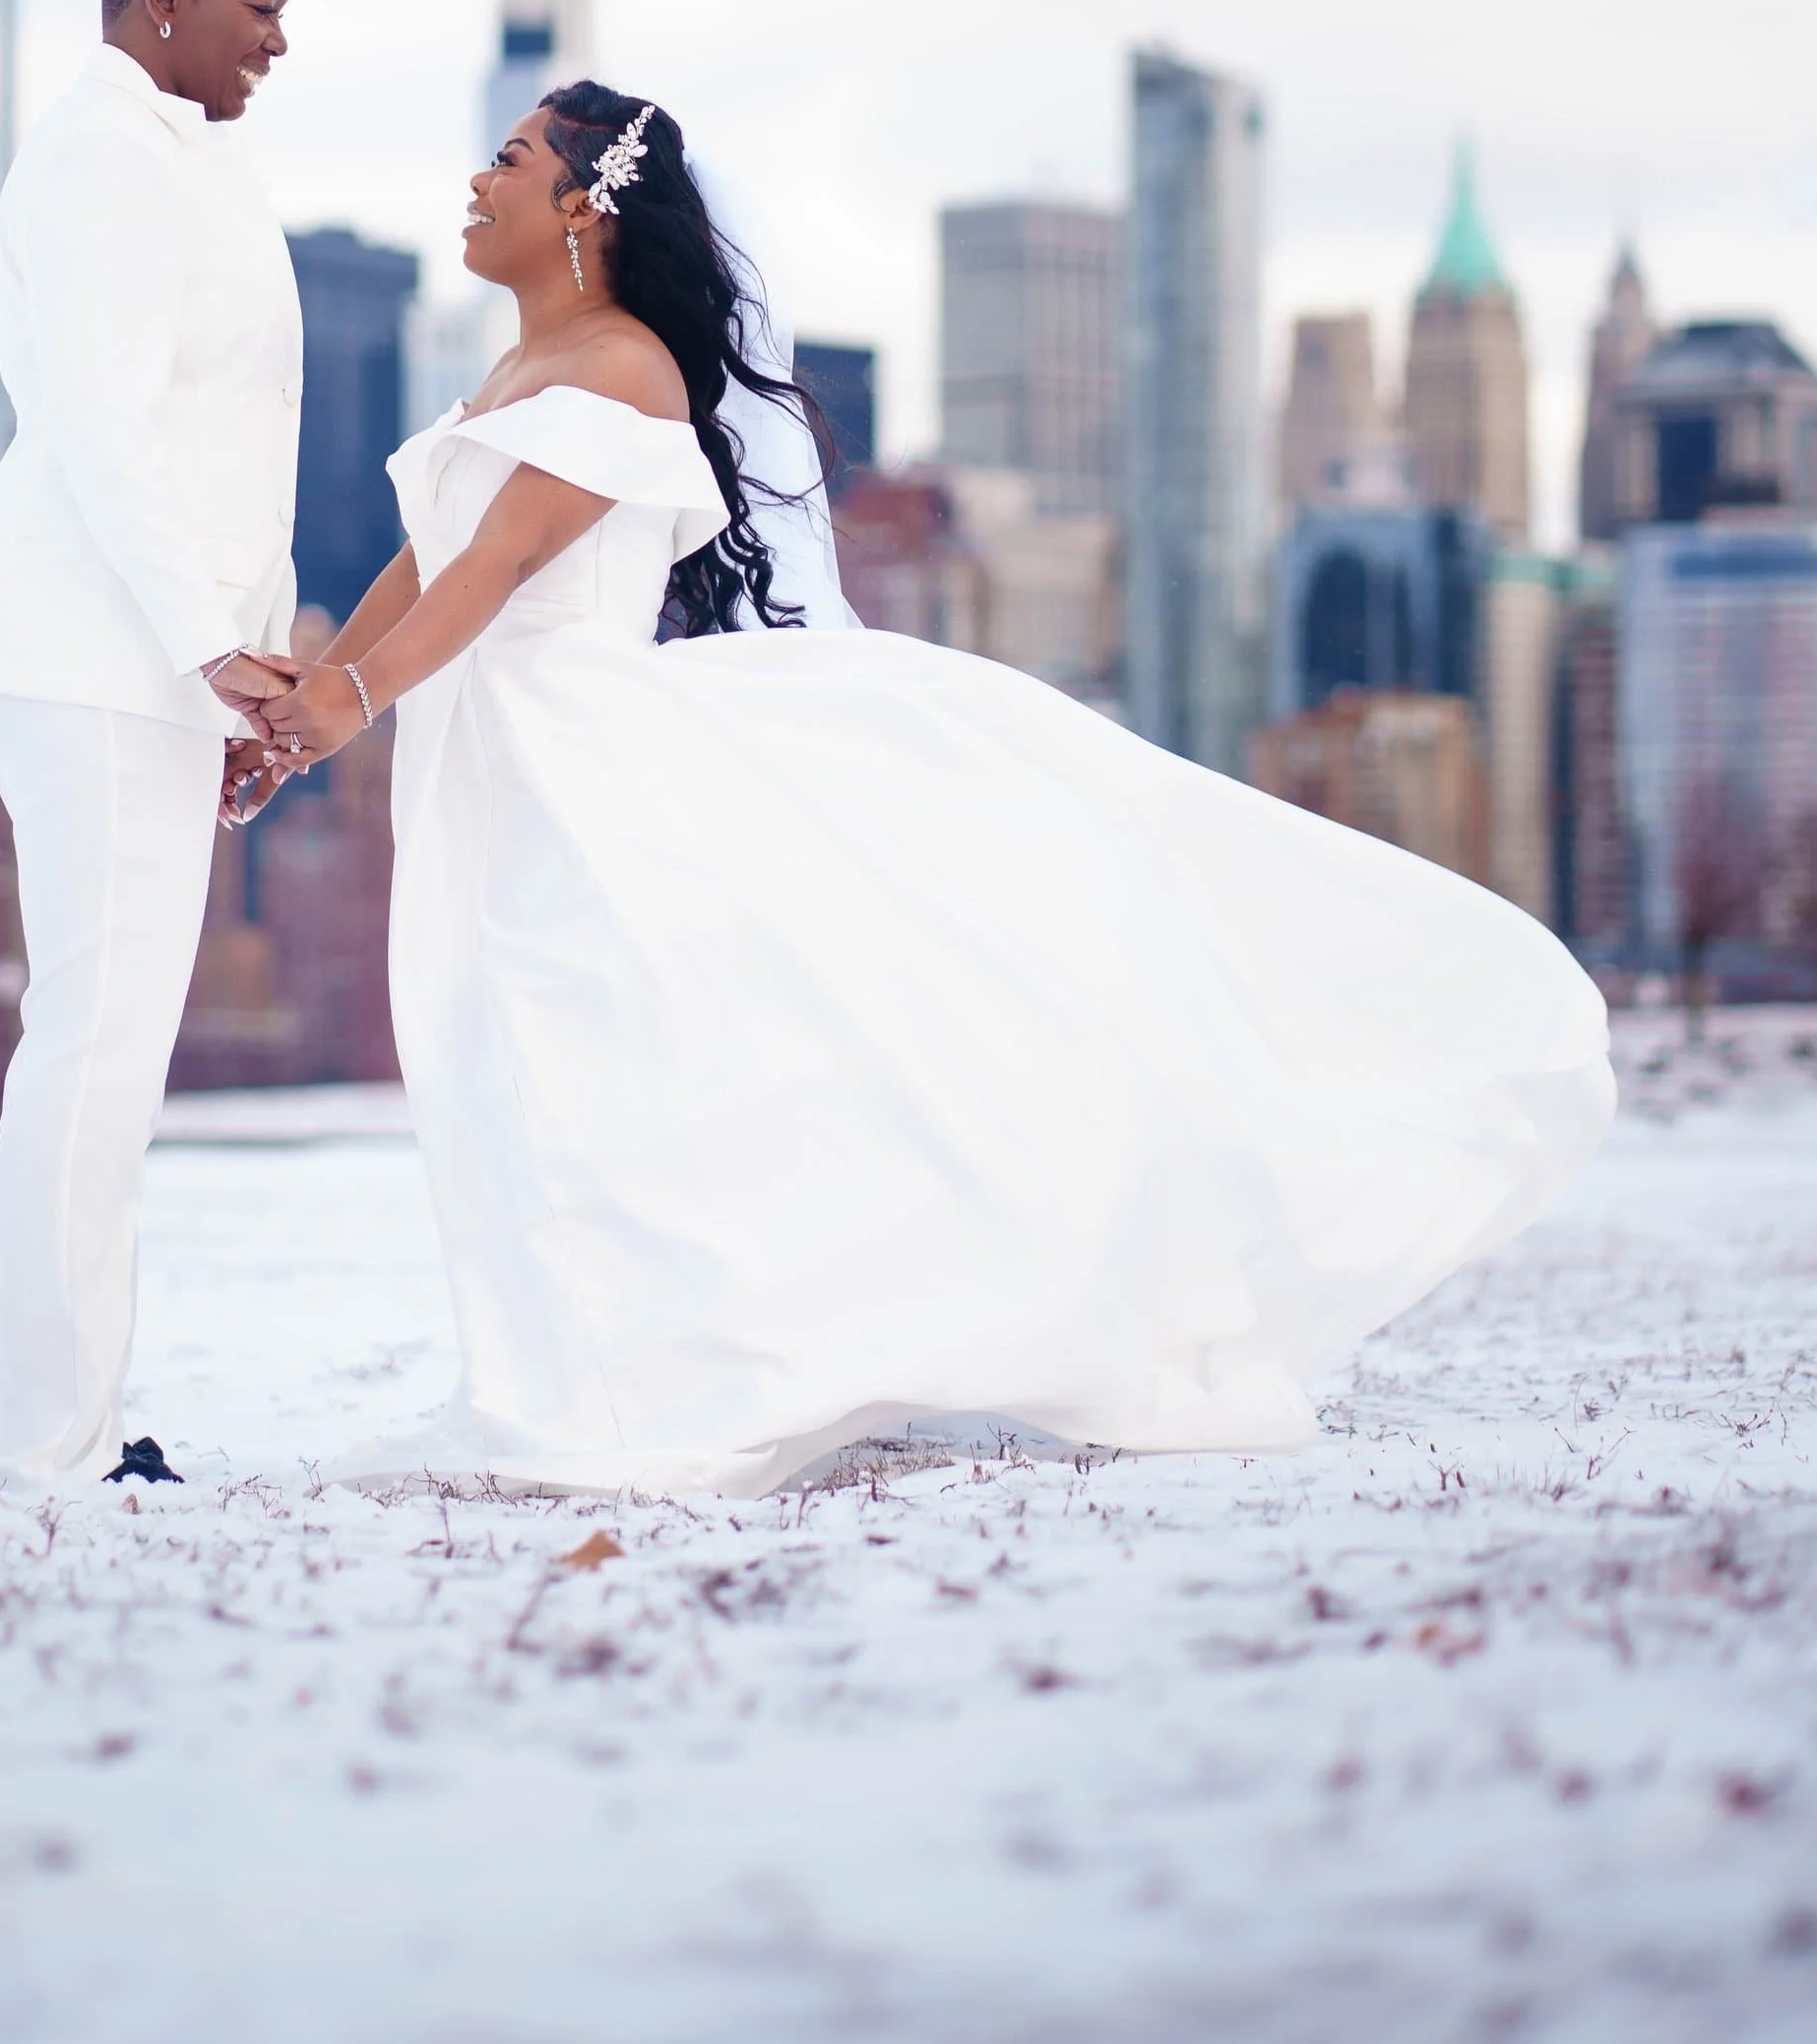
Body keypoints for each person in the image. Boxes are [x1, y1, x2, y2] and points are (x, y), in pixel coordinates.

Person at [247, 83, 1615, 1501]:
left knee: (614, 1050)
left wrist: (341, 707)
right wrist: (310, 695)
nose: (478, 180)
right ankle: (582, 1364)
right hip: (502, 754)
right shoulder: (510, 377)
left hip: (595, 758)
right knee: (528, 1055)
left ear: (586, 200)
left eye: (511, 159)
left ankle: (667, 1371)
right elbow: (425, 559)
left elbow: (500, 564)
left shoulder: (624, 366)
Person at [0, 0, 304, 1491]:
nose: (278, 39)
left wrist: (239, 665)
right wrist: (201, 646)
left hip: (134, 658)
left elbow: (231, 444)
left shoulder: (183, 158)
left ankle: (72, 1422)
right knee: (91, 1045)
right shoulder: (101, 154)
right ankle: (49, 1447)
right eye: (259, 4)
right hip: (82, 646)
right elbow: (96, 422)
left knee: (110, 1048)